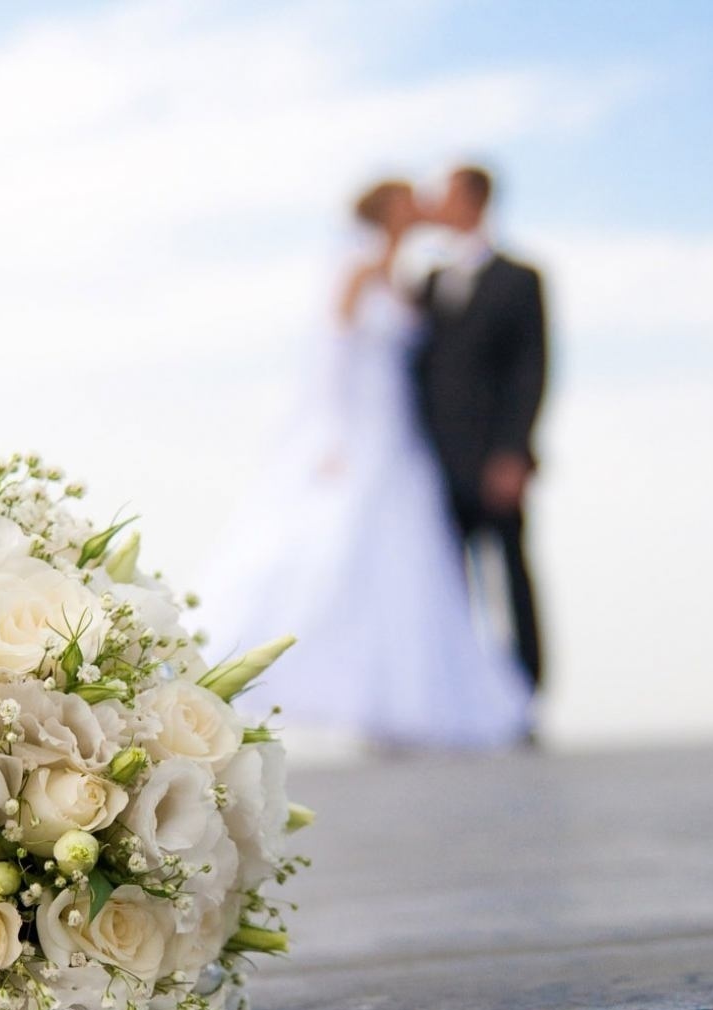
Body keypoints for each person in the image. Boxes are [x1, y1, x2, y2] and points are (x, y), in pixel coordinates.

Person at [199, 179, 531, 749]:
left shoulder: (409, 278)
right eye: (409, 202)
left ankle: (401, 703)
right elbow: (329, 354)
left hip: (403, 437)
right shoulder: (355, 269)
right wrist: (332, 434)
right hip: (359, 431)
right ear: (384, 213)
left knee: (408, 568)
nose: (422, 208)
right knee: (336, 554)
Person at [413, 165, 548, 690]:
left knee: (511, 576)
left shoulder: (521, 279)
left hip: (496, 461)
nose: (434, 205)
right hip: (432, 463)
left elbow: (532, 370)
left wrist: (514, 452)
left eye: (443, 195)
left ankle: (525, 694)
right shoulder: (425, 284)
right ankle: (459, 697)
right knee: (444, 587)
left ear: (474, 201)